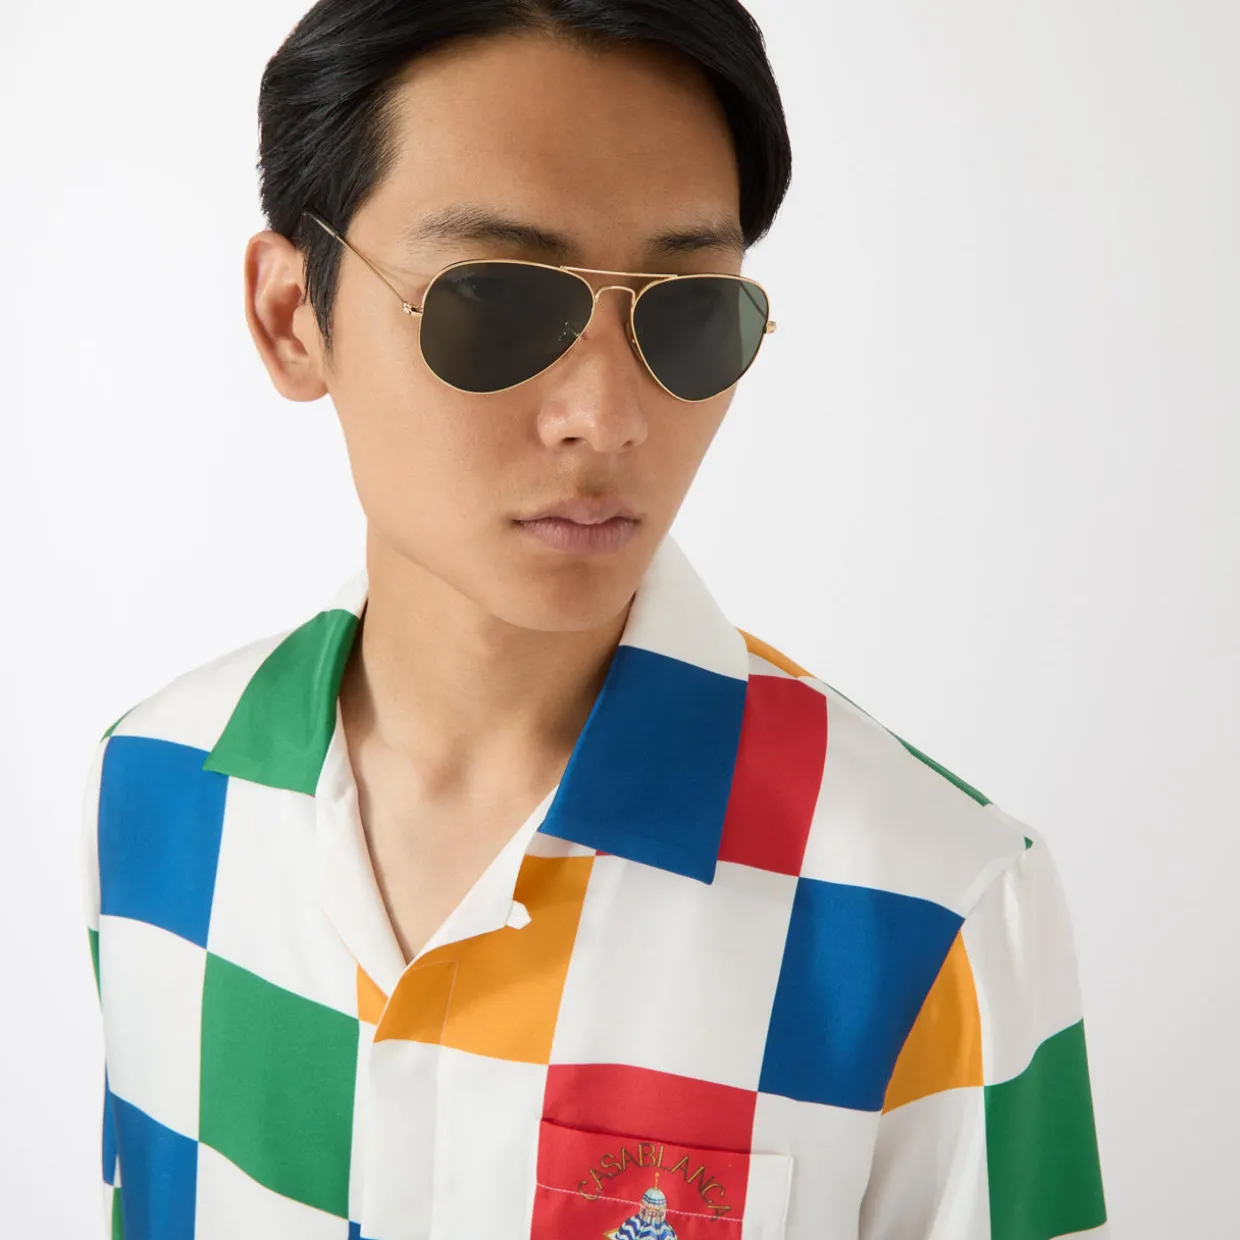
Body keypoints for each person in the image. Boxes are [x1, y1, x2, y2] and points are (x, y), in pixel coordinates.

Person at [80, 1, 1109, 1237]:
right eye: (496, 303)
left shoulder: (935, 903)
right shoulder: (153, 785)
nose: (608, 417)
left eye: (687, 312)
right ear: (293, 315)